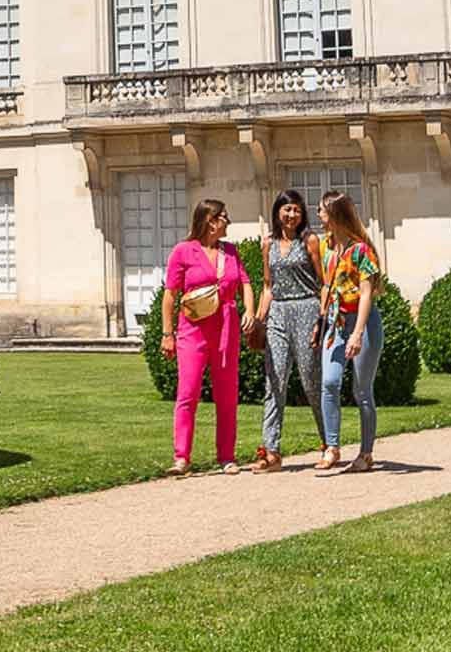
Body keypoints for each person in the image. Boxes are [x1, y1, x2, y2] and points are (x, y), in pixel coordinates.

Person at [162, 197, 247, 474]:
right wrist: (167, 333)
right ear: (210, 221)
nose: (228, 222)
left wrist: (250, 311)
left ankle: (226, 456)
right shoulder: (183, 251)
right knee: (187, 393)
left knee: (227, 394)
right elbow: (170, 295)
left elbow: (245, 282)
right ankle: (181, 457)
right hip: (193, 329)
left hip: (226, 329)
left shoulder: (231, 252)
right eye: (224, 217)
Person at [250, 188, 326, 471]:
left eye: (296, 209)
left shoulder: (310, 241)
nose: (292, 214)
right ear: (277, 213)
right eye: (287, 209)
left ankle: (329, 443)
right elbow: (268, 285)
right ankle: (271, 451)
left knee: (311, 381)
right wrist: (259, 319)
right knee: (275, 382)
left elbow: (323, 282)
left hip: (306, 309)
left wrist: (322, 318)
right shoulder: (268, 243)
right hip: (278, 312)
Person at [316, 189, 382, 476]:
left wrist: (357, 334)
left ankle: (366, 453)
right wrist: (322, 321)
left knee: (361, 390)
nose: (318, 215)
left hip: (363, 322)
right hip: (336, 322)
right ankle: (332, 447)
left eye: (322, 210)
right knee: (329, 383)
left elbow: (367, 294)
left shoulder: (361, 250)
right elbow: (326, 287)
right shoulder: (325, 247)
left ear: (334, 215)